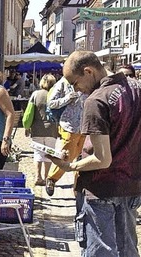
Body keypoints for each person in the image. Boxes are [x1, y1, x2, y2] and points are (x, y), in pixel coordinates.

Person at [48, 50, 141, 257]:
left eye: (74, 83)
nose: (77, 90)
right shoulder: (136, 87)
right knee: (127, 250)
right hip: (131, 185)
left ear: (88, 71)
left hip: (101, 188)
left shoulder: (96, 100)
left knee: (100, 252)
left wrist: (69, 166)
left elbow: (102, 158)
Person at [45, 76, 86, 196]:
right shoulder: (63, 83)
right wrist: (67, 98)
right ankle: (52, 178)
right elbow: (51, 103)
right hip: (69, 125)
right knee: (66, 155)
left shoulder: (87, 80)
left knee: (83, 158)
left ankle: (78, 189)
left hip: (86, 125)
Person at [24, 74, 58, 186]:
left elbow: (29, 113)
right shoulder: (56, 95)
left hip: (37, 128)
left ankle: (38, 177)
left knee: (38, 153)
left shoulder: (35, 94)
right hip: (52, 129)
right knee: (49, 153)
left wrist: (26, 126)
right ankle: (47, 177)